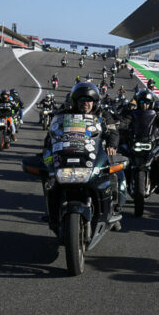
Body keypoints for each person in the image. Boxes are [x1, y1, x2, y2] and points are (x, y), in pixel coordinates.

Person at [40, 81, 123, 226]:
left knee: (116, 174)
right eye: (82, 100)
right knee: (48, 176)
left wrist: (112, 145)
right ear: (75, 101)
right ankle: (51, 210)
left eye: (89, 100)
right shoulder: (64, 115)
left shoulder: (104, 115)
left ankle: (113, 209)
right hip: (68, 153)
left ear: (95, 102)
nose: (85, 103)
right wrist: (48, 150)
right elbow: (51, 134)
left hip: (97, 153)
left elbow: (114, 132)